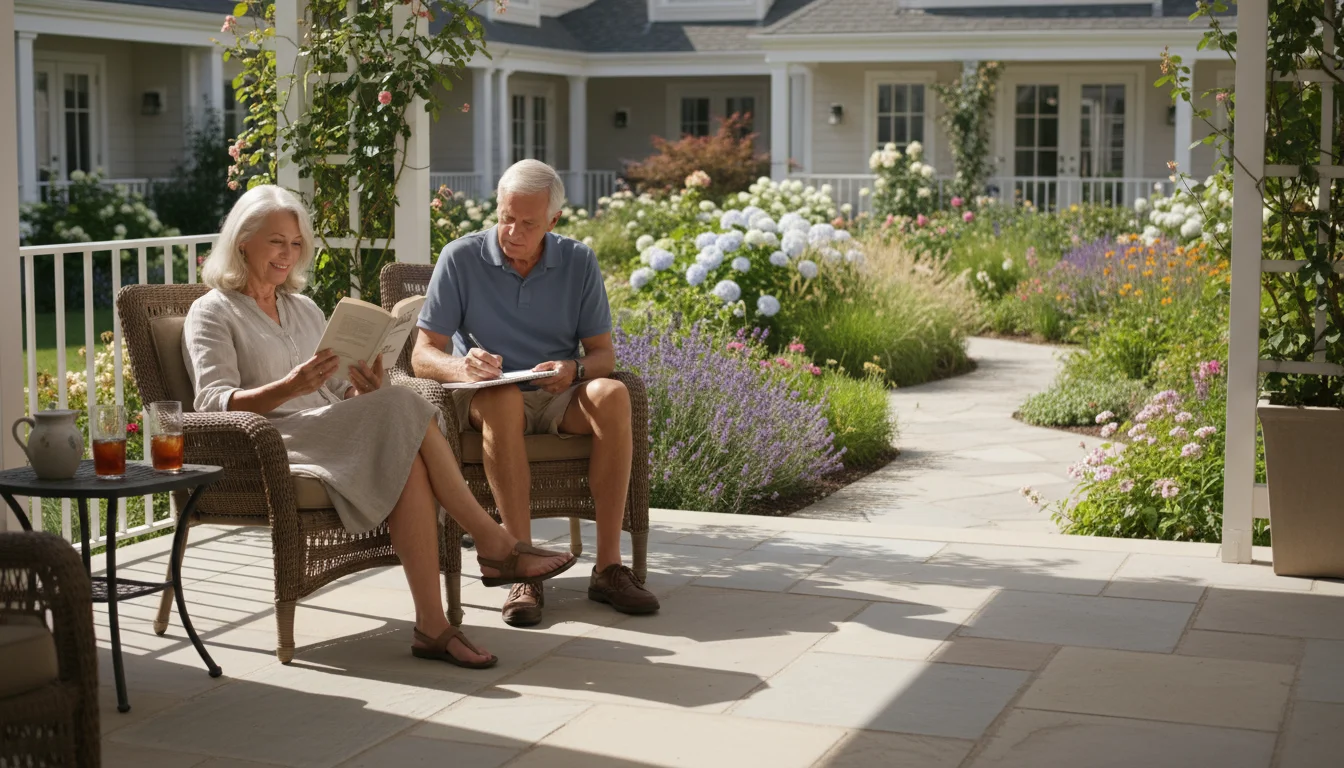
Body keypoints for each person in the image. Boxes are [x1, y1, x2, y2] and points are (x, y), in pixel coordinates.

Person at [182, 184, 576, 669]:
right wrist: (288, 387)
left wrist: (359, 389)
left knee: (404, 444)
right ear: (243, 241)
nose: (288, 254)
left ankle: (433, 626)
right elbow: (212, 403)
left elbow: (329, 392)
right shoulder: (212, 311)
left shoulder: (302, 308)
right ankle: (493, 543)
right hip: (270, 440)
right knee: (401, 404)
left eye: (296, 243)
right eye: (276, 242)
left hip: (325, 427)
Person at [412, 159, 659, 628]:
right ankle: (520, 564)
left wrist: (576, 369)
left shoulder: (578, 260)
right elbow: (423, 354)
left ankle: (607, 568)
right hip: (487, 396)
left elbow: (603, 354)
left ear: (553, 221)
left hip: (557, 395)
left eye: (528, 223)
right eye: (506, 217)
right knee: (504, 400)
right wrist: (461, 368)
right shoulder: (460, 258)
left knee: (612, 395)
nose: (513, 231)